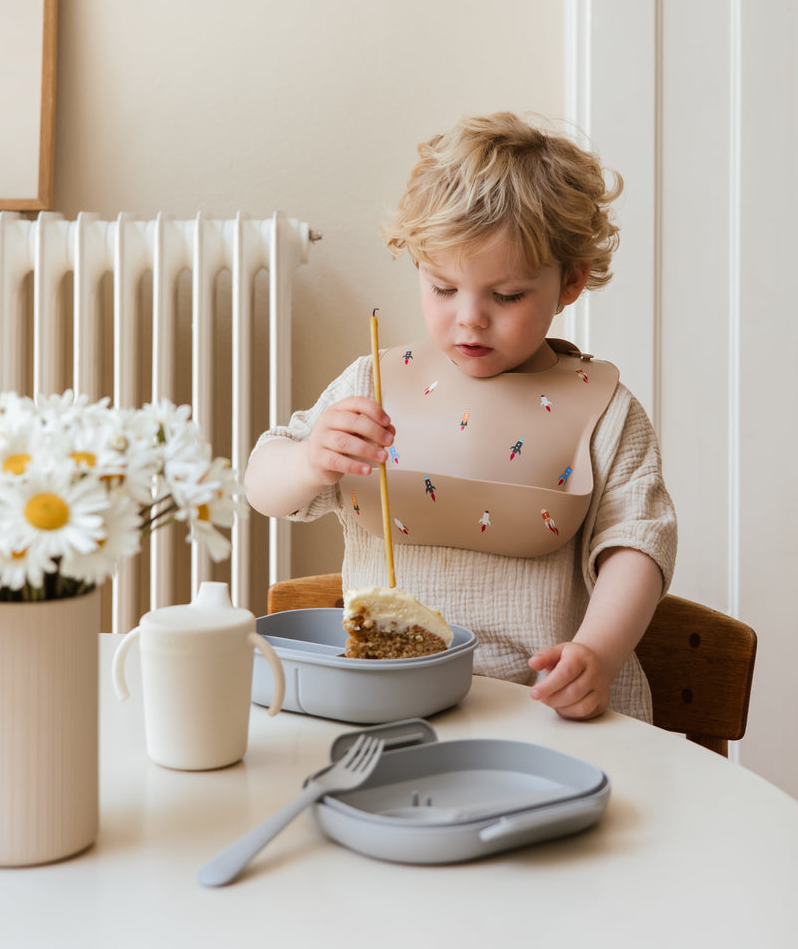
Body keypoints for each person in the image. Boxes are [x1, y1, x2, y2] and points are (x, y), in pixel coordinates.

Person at [246, 112, 677, 723]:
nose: (470, 318)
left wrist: (598, 654)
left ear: (570, 281)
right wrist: (310, 457)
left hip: (541, 707)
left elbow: (639, 543)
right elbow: (264, 484)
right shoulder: (372, 380)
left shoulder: (607, 410)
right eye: (444, 288)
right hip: (388, 703)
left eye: (505, 296)